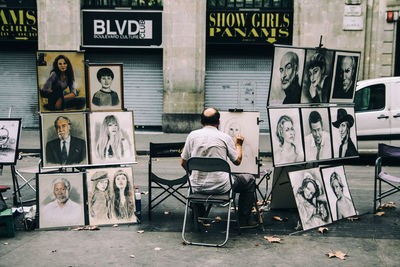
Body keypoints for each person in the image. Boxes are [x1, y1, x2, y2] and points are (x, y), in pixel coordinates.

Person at [181, 108, 258, 228]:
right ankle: (243, 220)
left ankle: (198, 215)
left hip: (196, 186)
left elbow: (183, 162)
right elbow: (237, 161)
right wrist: (238, 145)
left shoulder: (192, 136)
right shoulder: (225, 137)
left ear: (201, 121)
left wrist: (196, 173)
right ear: (218, 122)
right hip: (221, 187)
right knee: (249, 180)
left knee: (194, 179)